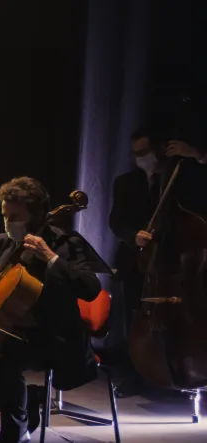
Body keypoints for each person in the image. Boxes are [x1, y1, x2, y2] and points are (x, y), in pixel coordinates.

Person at [0, 177, 101, 443]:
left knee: (0, 363)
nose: (8, 222)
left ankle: (13, 432)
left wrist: (51, 258)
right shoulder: (4, 242)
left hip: (51, 336)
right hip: (11, 331)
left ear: (36, 215)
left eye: (15, 217)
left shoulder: (65, 243)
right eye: (5, 216)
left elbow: (91, 288)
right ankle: (24, 411)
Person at [108, 131, 207, 395]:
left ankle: (187, 370)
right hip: (141, 263)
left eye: (144, 152)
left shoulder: (185, 176)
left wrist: (197, 155)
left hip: (178, 267)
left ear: (160, 149)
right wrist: (134, 236)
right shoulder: (126, 182)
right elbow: (116, 222)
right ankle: (138, 372)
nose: (139, 158)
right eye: (135, 154)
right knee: (135, 320)